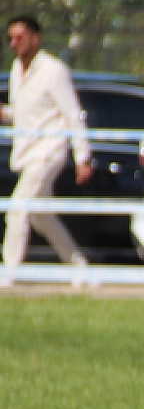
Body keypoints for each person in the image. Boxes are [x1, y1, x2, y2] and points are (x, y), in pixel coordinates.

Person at [2, 15, 92, 269]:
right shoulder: (17, 71)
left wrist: (82, 157)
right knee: (42, 217)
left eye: (19, 37)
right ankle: (79, 267)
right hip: (27, 153)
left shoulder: (53, 71)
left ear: (35, 38)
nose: (14, 43)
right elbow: (24, 113)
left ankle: (9, 274)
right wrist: (5, 113)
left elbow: (73, 114)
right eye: (10, 38)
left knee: (17, 209)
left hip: (47, 153)